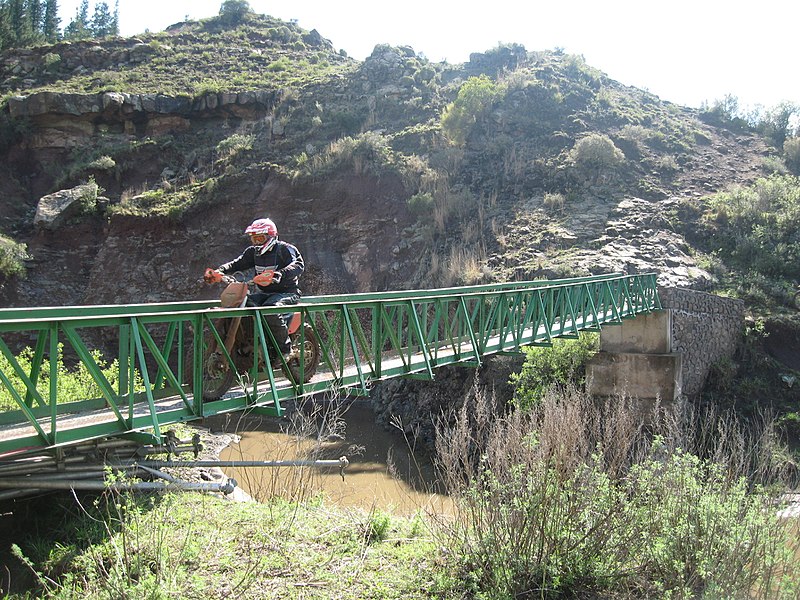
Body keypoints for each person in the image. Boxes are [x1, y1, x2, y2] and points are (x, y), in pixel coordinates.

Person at [206, 218, 304, 359]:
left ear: (270, 236)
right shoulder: (253, 252)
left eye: (259, 238)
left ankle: (285, 350)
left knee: (270, 309)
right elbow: (237, 263)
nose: (256, 242)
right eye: (254, 238)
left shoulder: (285, 249)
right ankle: (251, 343)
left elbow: (298, 265)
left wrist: (280, 274)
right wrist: (221, 270)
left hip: (287, 292)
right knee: (244, 304)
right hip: (264, 292)